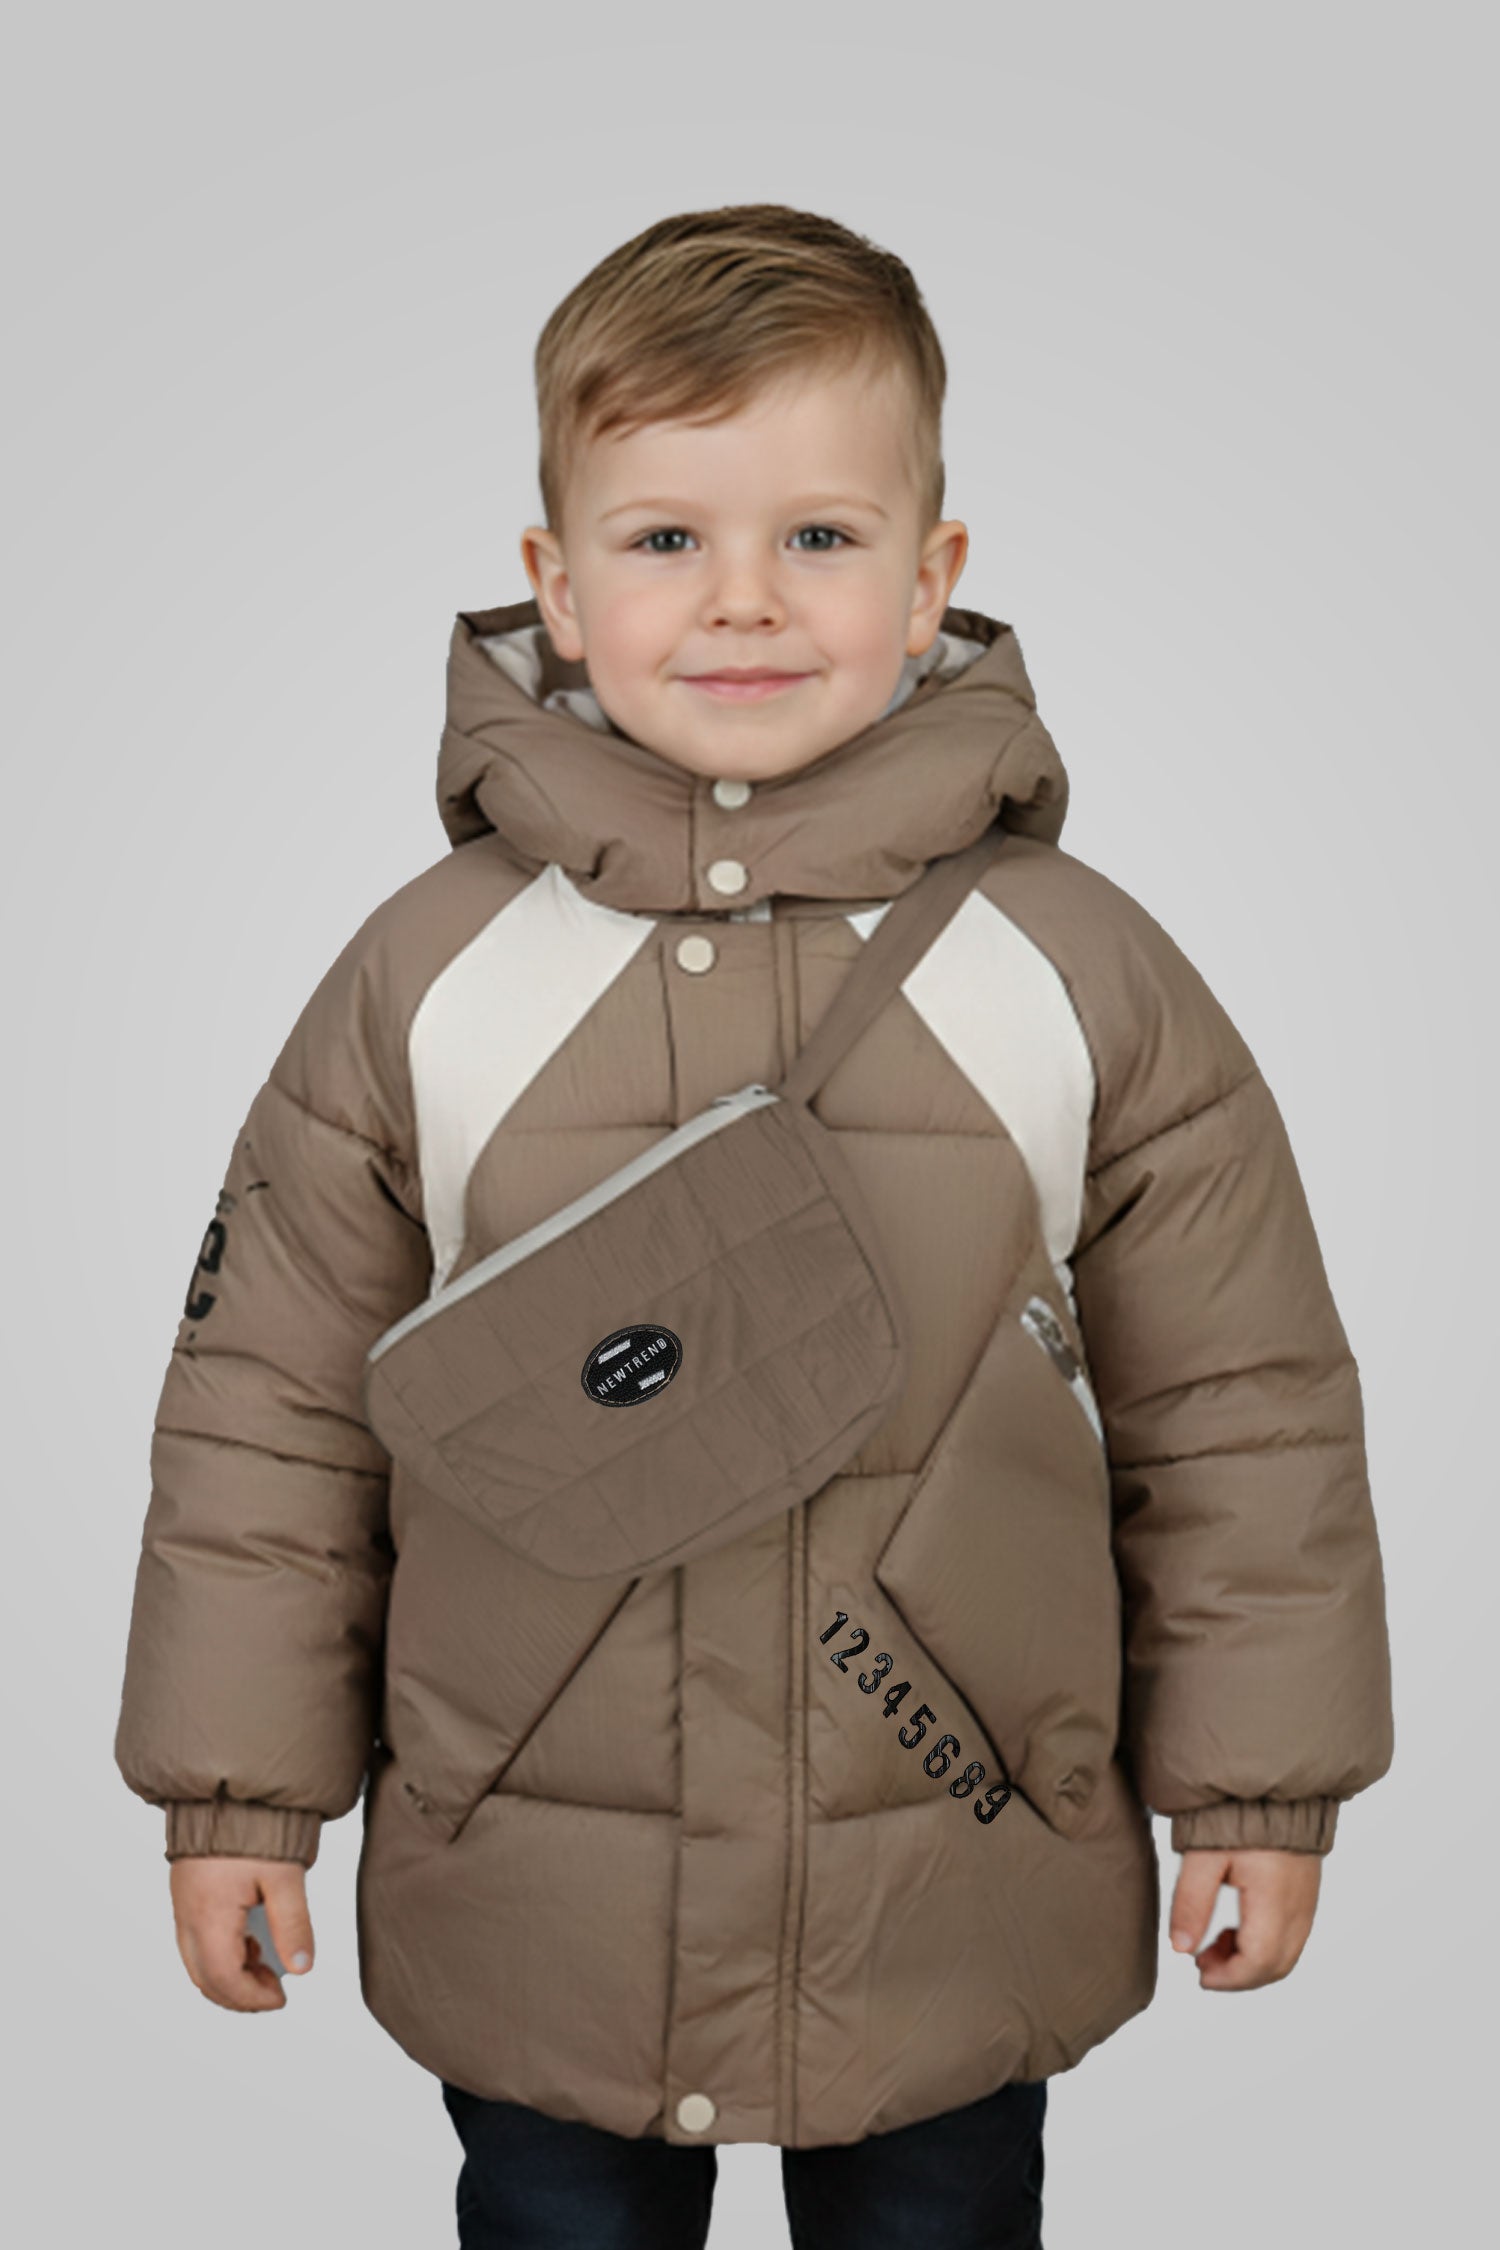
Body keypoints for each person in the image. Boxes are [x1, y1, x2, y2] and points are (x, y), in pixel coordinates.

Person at [113, 202, 1395, 2250]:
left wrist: (1258, 1784)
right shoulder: (425, 977)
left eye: (817, 534)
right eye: (663, 538)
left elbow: (1242, 1407)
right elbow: (268, 1413)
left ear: (932, 574)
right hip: (537, 1886)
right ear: (555, 583)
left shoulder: (1082, 970)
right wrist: (236, 1792)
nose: (743, 600)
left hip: (950, 1878)